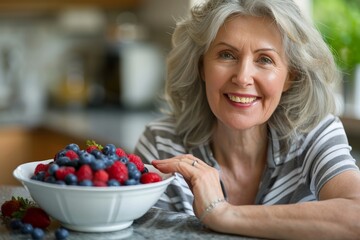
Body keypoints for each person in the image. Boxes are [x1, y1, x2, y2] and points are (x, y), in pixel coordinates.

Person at [134, 0, 360, 239]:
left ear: (289, 77)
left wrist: (222, 214)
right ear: (202, 67)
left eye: (265, 59)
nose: (243, 78)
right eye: (227, 55)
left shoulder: (316, 133)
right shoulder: (162, 143)